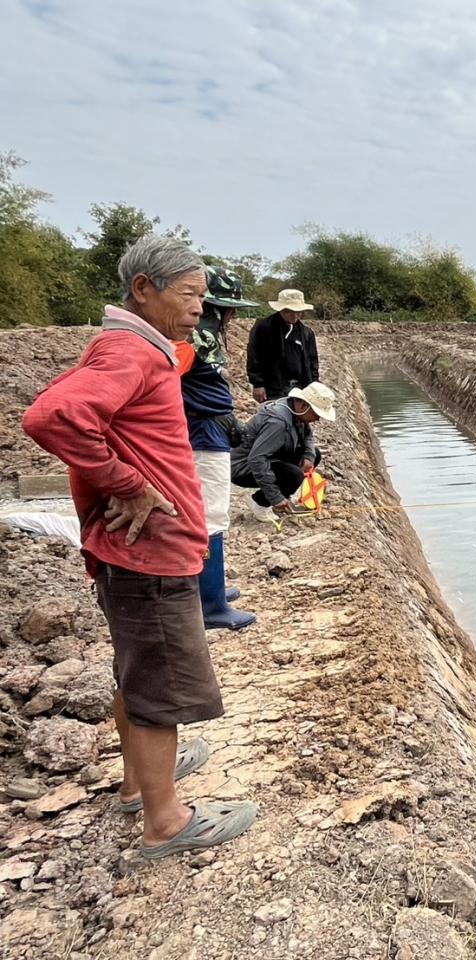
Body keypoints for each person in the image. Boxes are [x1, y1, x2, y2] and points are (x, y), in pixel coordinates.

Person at [22, 234, 257, 858]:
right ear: (144, 289)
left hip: (143, 551)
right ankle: (166, 821)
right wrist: (128, 483)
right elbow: (52, 417)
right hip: (147, 552)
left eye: (203, 298)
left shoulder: (141, 348)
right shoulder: (130, 350)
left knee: (141, 670)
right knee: (158, 684)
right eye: (189, 295)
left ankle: (138, 783)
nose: (199, 310)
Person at [178, 266, 257, 630]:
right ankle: (210, 606)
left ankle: (215, 590)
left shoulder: (203, 334)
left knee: (212, 513)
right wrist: (204, 412)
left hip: (212, 430)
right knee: (210, 516)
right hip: (204, 435)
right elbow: (169, 381)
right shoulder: (193, 339)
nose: (234, 314)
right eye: (231, 307)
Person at [231, 382, 336, 521]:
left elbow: (307, 436)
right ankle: (260, 503)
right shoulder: (277, 423)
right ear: (304, 406)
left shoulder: (295, 411)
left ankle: (279, 495)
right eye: (317, 414)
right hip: (242, 468)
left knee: (314, 454)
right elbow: (257, 459)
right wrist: (275, 497)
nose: (318, 419)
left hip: (270, 456)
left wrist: (309, 456)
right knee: (294, 476)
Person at [245, 288, 319, 402]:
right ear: (281, 310)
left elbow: (313, 361)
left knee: (297, 418)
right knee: (276, 417)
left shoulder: (306, 333)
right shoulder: (264, 327)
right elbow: (254, 356)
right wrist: (258, 383)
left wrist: (313, 385)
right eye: (289, 311)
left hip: (301, 388)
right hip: (274, 388)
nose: (294, 315)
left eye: (298, 312)